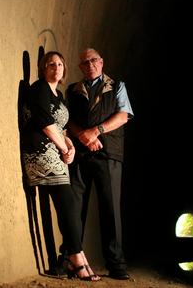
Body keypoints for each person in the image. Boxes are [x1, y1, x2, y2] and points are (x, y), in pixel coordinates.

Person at [20, 51, 101, 281]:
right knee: (68, 203)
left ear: (64, 69)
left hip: (58, 154)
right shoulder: (38, 89)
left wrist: (70, 147)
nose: (55, 67)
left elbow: (63, 129)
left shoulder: (59, 95)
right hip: (40, 154)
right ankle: (76, 258)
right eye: (50, 64)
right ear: (43, 69)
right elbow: (45, 124)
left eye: (59, 64)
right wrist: (64, 149)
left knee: (71, 205)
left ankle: (78, 255)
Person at [65, 48, 134, 280]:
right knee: (75, 208)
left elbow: (123, 116)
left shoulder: (118, 87)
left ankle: (116, 265)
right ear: (80, 67)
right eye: (85, 62)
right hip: (81, 155)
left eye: (94, 60)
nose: (90, 64)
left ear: (102, 62)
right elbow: (67, 120)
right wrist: (83, 136)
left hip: (108, 154)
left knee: (110, 209)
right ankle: (69, 259)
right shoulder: (72, 90)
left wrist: (96, 132)